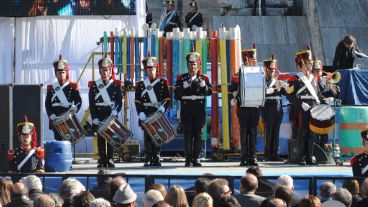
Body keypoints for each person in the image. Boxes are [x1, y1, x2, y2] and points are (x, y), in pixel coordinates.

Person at [174, 51, 212, 167]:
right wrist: (183, 87)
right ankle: (188, 158)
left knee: (198, 134)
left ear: (198, 65)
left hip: (199, 108)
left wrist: (204, 86)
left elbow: (209, 92)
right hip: (187, 108)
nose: (192, 66)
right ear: (187, 65)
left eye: (195, 64)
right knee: (188, 134)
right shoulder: (181, 78)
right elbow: (176, 95)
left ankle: (196, 158)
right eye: (190, 64)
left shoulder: (204, 77)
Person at [287, 48, 322, 165]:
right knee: (303, 132)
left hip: (313, 108)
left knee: (312, 132)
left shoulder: (314, 79)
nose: (311, 65)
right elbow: (289, 96)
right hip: (302, 109)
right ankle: (301, 156)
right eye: (309, 63)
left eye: (311, 63)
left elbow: (317, 94)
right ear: (302, 63)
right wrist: (301, 104)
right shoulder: (295, 79)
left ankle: (310, 156)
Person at [135, 55, 171, 167]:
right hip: (146, 112)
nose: (151, 71)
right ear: (146, 70)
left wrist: (164, 107)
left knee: (158, 135)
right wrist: (140, 112)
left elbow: (167, 98)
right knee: (147, 136)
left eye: (153, 69)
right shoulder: (140, 84)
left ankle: (156, 156)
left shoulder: (162, 82)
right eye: (148, 69)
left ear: (156, 69)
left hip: (157, 112)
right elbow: (137, 101)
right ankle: (148, 156)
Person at [89, 56, 123, 168]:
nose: (105, 72)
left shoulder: (115, 85)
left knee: (111, 137)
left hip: (110, 113)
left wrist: (116, 111)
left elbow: (119, 101)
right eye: (103, 70)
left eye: (107, 70)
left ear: (110, 71)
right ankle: (102, 159)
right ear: (99, 71)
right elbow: (92, 103)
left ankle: (110, 159)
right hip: (99, 114)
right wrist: (94, 117)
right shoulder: (94, 85)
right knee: (101, 138)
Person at [229, 46, 260, 166]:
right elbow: (231, 90)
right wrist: (233, 96)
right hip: (243, 106)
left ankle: (252, 156)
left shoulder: (259, 72)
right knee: (244, 132)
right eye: (252, 60)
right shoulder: (238, 74)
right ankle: (244, 157)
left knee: (253, 132)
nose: (255, 62)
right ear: (246, 60)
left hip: (255, 106)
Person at [45, 55, 82, 141]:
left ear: (66, 73)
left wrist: (76, 107)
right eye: (59, 73)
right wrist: (51, 114)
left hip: (68, 117)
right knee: (58, 141)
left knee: (69, 140)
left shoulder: (72, 86)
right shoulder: (51, 88)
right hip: (56, 118)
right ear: (56, 74)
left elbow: (78, 100)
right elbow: (47, 104)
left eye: (63, 72)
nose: (61, 75)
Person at [262, 56, 287, 161]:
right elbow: (264, 92)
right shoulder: (262, 81)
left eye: (273, 70)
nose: (272, 72)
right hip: (268, 108)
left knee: (276, 132)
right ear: (266, 69)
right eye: (270, 70)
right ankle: (267, 154)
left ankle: (275, 154)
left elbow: (286, 93)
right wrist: (275, 87)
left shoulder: (278, 81)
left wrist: (285, 86)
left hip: (278, 107)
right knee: (269, 132)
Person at [312, 59, 339, 150]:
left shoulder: (326, 80)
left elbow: (335, 94)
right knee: (315, 132)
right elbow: (315, 94)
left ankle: (324, 152)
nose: (317, 73)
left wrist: (328, 84)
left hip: (325, 110)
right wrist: (323, 95)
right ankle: (315, 152)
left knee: (324, 133)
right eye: (315, 71)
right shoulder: (311, 82)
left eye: (319, 71)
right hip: (315, 109)